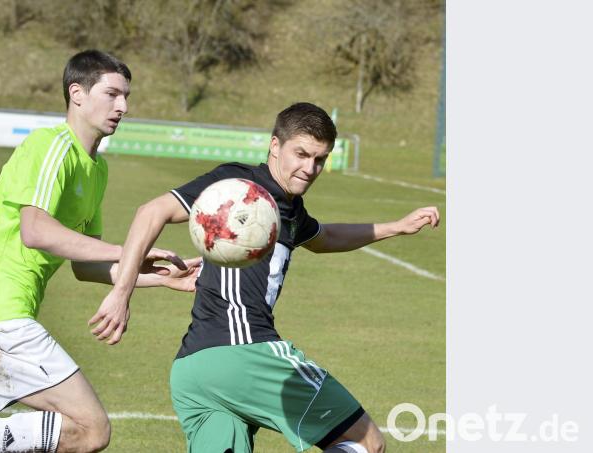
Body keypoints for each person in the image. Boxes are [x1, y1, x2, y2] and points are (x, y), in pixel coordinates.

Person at [92, 102, 440, 452]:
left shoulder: (291, 210)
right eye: (301, 154)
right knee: (366, 442)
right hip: (244, 350)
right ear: (275, 145)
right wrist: (122, 293)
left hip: (194, 368)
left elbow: (326, 238)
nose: (310, 168)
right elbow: (152, 211)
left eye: (319, 159)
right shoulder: (240, 185)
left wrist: (397, 227)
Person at [0, 50, 200, 453]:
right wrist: (125, 248)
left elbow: (84, 265)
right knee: (90, 430)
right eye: (112, 94)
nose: (123, 106)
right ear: (77, 93)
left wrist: (157, 276)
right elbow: (35, 231)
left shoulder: (96, 169)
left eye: (126, 96)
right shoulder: (53, 146)